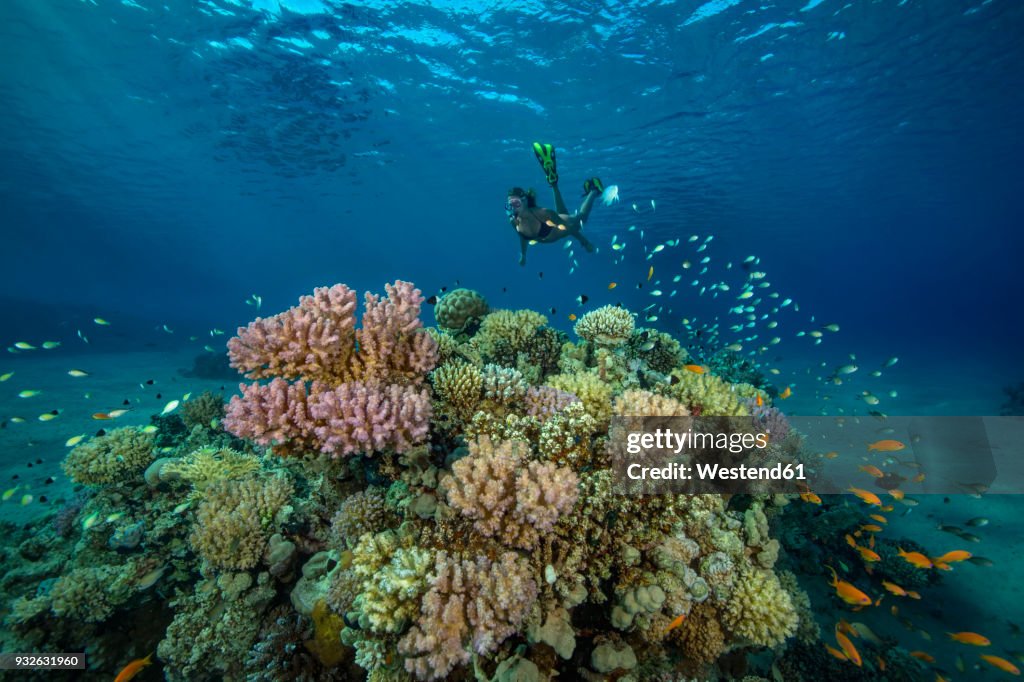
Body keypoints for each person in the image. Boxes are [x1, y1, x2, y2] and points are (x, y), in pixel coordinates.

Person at [506, 142, 604, 266]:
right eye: (510, 204)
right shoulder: (514, 221)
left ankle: (594, 189)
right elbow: (523, 237)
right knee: (562, 214)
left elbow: (570, 229)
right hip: (556, 225)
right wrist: (524, 255)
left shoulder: (542, 213)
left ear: (524, 200)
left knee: (581, 219)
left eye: (515, 202)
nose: (512, 207)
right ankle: (553, 183)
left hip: (562, 227)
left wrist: (585, 243)